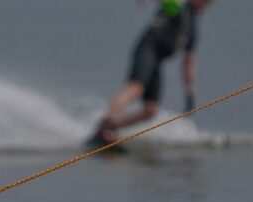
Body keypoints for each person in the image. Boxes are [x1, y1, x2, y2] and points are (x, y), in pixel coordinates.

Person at [89, 0, 212, 147]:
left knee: (150, 110)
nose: (206, 4)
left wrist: (190, 94)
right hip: (147, 50)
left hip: (157, 61)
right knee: (135, 88)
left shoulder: (192, 28)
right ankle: (105, 124)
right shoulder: (179, 7)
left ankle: (113, 128)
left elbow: (188, 63)